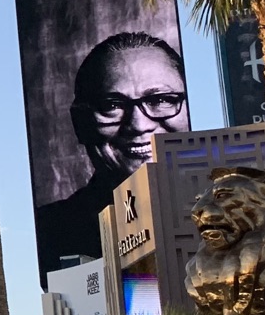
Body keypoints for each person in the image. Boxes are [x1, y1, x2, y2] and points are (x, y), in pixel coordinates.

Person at [36, 31, 188, 274]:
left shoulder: (240, 203)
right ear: (80, 123)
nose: (138, 124)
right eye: (112, 105)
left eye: (160, 100)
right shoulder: (49, 232)